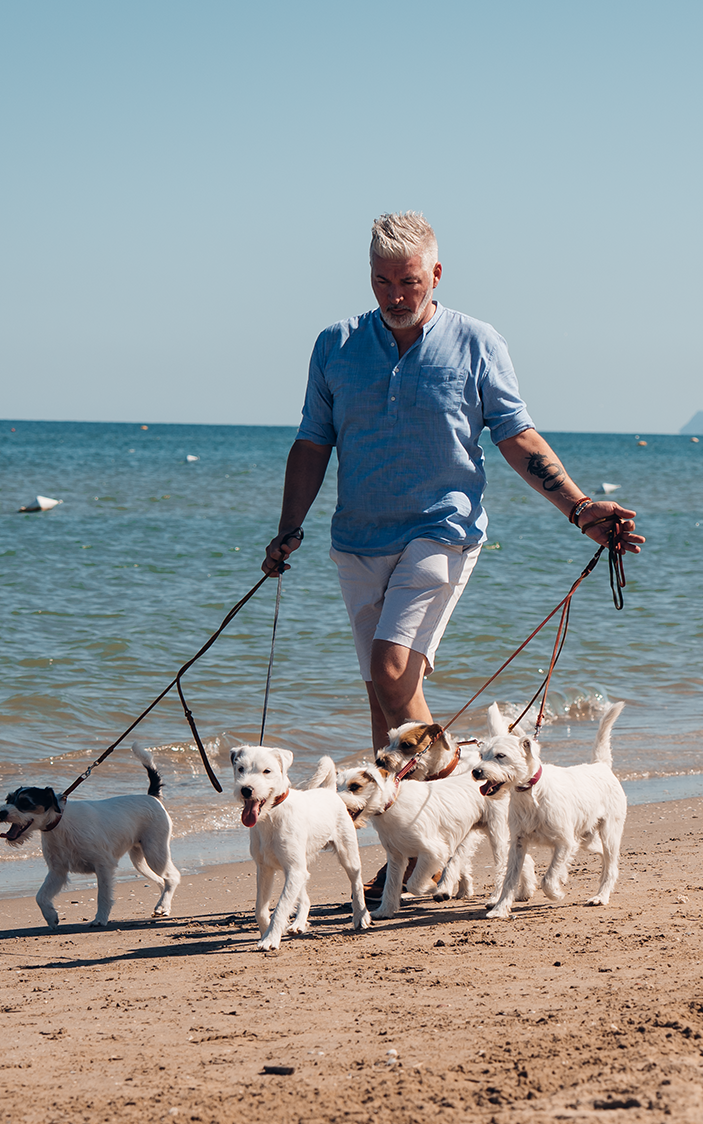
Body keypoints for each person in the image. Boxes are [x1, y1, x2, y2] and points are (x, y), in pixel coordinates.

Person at [263, 211, 644, 754]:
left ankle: (450, 795)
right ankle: (411, 832)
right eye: (382, 281)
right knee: (384, 703)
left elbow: (517, 436)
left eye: (408, 282)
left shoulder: (478, 342)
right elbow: (312, 442)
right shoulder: (335, 345)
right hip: (357, 540)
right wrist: (287, 530)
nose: (395, 296)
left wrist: (579, 508)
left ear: (435, 274)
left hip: (441, 531)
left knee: (392, 674)